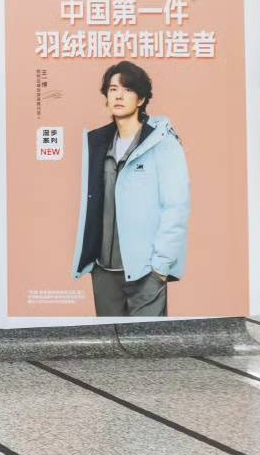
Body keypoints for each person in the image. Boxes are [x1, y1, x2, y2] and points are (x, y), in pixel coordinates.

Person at [74, 61, 189, 317]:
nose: (118, 95)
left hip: (146, 271)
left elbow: (176, 207)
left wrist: (160, 266)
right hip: (103, 271)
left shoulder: (163, 143)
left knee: (146, 339)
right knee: (109, 338)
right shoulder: (97, 143)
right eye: (113, 89)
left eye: (127, 89)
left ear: (141, 99)